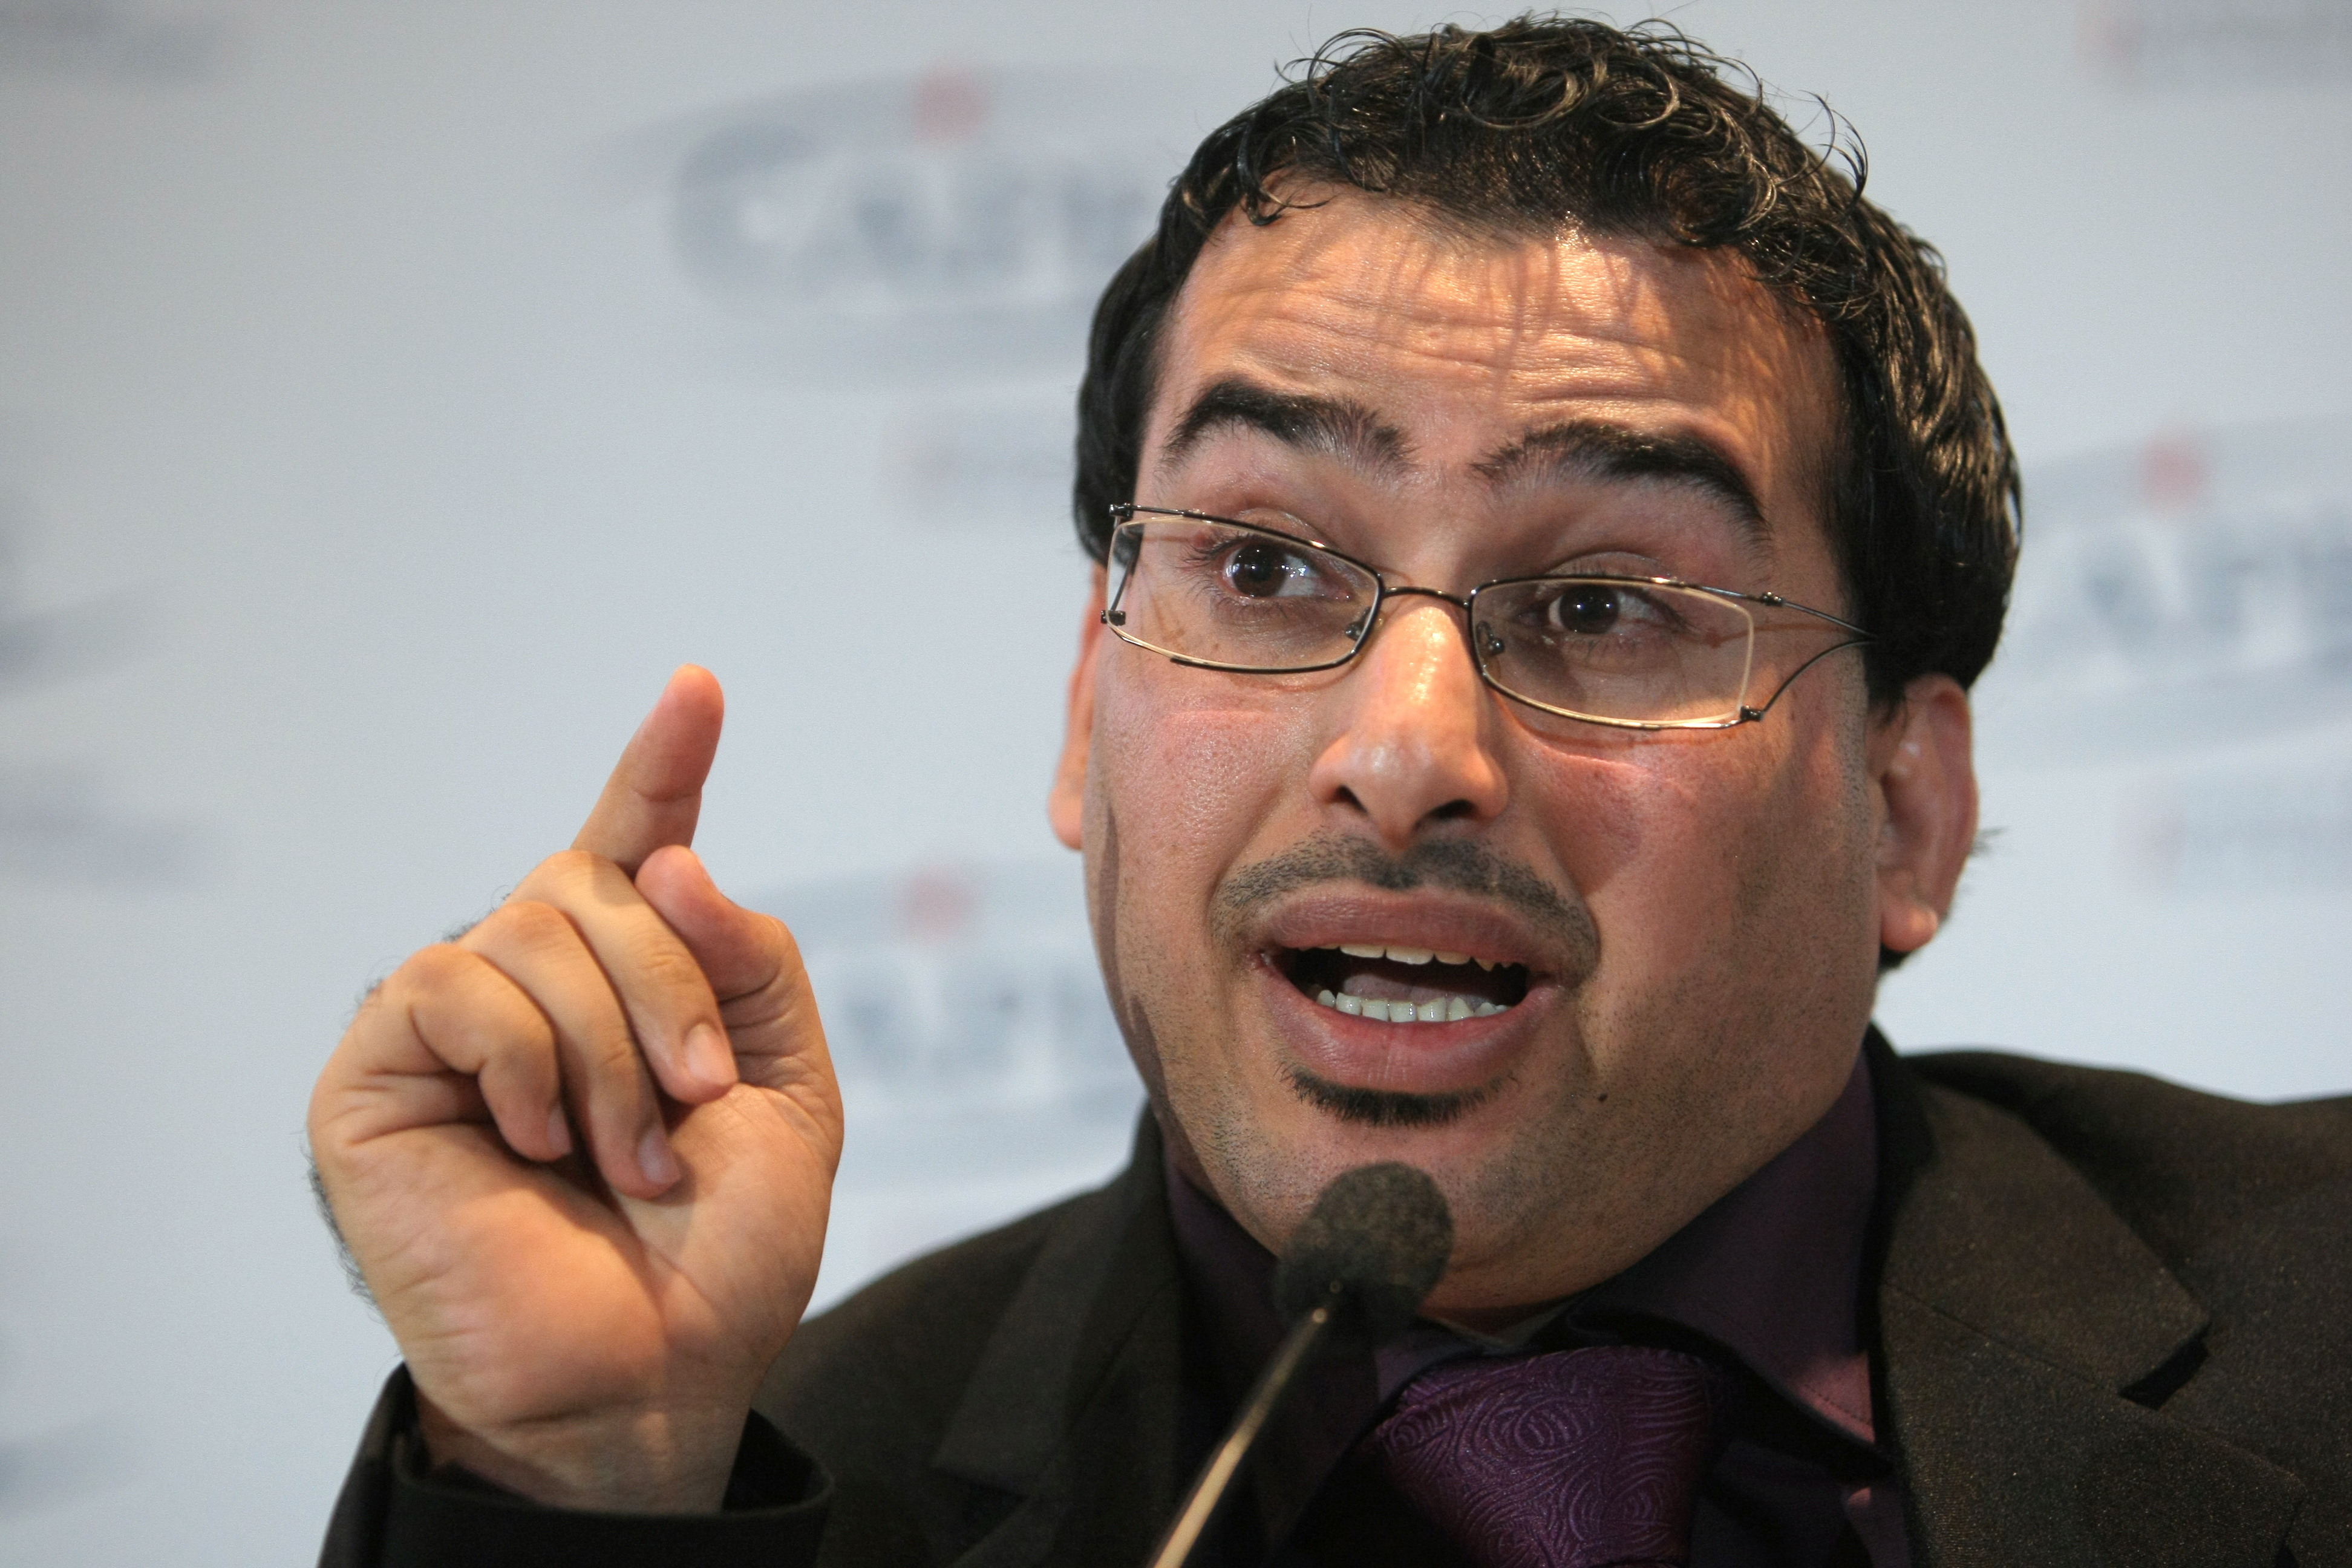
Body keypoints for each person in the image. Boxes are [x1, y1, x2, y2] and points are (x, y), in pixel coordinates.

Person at [308, 16, 2350, 1567]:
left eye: (1605, 605)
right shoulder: (783, 1486)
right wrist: (579, 1490)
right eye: (1269, 570)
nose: (1405, 752)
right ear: (1087, 708)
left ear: (1904, 805)